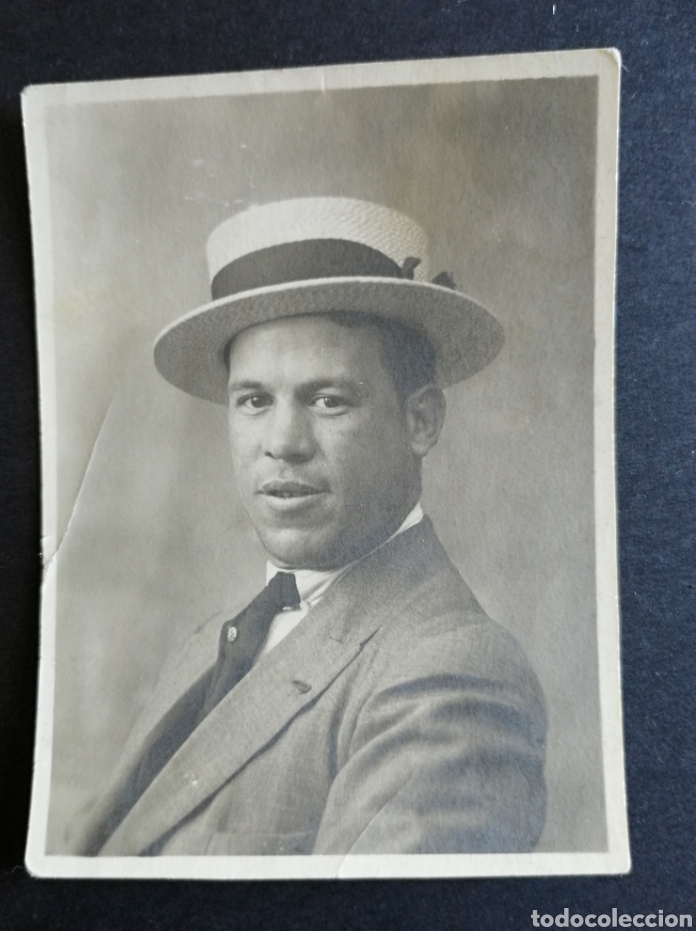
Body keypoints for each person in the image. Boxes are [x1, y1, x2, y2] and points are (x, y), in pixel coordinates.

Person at [72, 197, 547, 857]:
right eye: (255, 400)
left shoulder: (450, 675)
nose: (282, 442)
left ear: (422, 421)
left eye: (328, 400)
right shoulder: (210, 639)